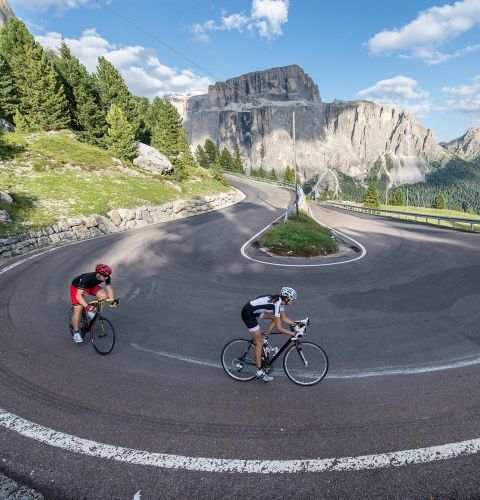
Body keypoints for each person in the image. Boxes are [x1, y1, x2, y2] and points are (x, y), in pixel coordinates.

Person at [241, 287, 302, 382]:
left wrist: (298, 323)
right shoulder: (277, 304)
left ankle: (265, 337)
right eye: (292, 300)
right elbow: (279, 328)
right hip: (248, 314)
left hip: (256, 310)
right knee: (259, 342)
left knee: (275, 318)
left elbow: (284, 318)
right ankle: (259, 372)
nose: (293, 302)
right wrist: (294, 333)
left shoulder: (281, 302)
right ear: (286, 298)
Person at [70, 263, 116, 343]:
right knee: (78, 309)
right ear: (98, 275)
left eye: (108, 275)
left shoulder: (106, 276)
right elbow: (79, 295)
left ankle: (89, 311)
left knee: (104, 296)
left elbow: (110, 289)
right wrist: (86, 306)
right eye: (105, 276)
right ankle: (76, 333)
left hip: (90, 286)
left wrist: (112, 301)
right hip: (77, 287)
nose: (107, 277)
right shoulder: (86, 279)